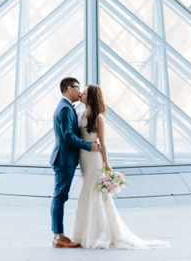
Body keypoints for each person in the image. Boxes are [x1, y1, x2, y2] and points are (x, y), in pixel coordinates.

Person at [71, 84, 170, 250]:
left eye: (85, 93)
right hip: (85, 159)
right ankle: (85, 233)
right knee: (87, 192)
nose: (81, 93)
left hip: (95, 159)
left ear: (92, 97)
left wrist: (107, 163)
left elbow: (103, 142)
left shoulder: (98, 118)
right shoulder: (79, 113)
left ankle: (97, 234)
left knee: (94, 193)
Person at [50, 76, 101, 248]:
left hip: (65, 158)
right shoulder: (65, 109)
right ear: (69, 88)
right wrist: (88, 146)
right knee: (60, 196)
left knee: (60, 196)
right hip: (64, 159)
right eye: (78, 88)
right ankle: (59, 237)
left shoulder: (67, 107)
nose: (80, 92)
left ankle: (58, 235)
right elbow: (68, 136)